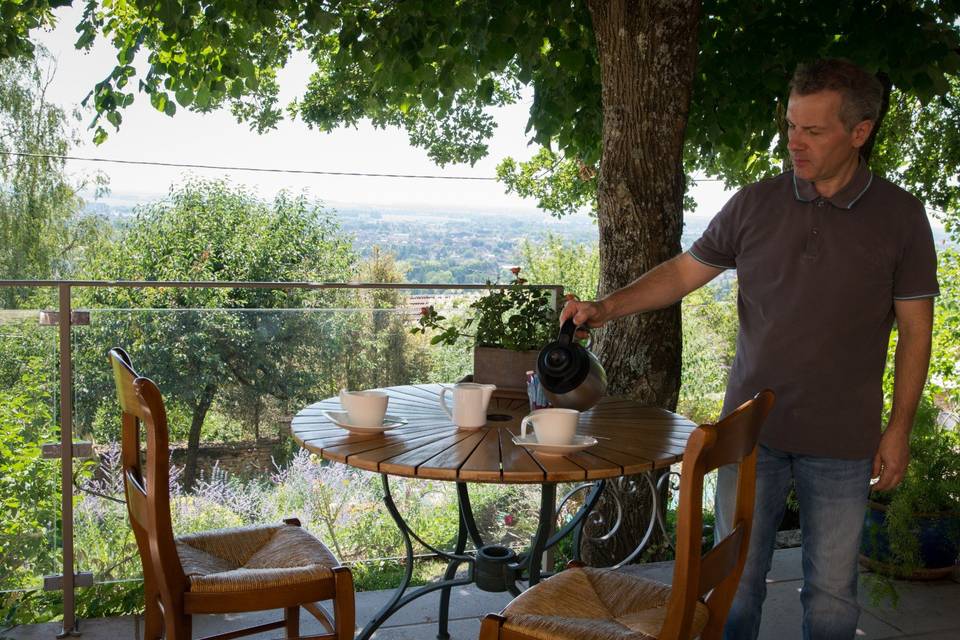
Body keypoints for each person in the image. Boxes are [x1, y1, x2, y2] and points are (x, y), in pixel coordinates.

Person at [560, 58, 938, 640]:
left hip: (843, 443)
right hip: (746, 437)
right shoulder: (754, 203)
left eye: (814, 131)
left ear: (859, 132)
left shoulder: (901, 217)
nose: (795, 143)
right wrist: (605, 308)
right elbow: (684, 273)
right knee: (731, 588)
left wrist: (900, 427)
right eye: (791, 127)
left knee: (833, 598)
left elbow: (916, 331)